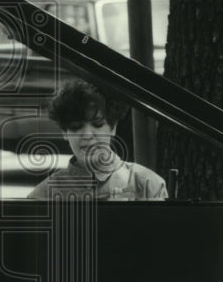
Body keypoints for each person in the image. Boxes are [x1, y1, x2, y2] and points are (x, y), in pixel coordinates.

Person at [28, 79, 168, 201]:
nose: (87, 135)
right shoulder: (43, 195)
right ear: (64, 132)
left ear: (113, 127)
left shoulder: (148, 185)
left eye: (97, 124)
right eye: (76, 127)